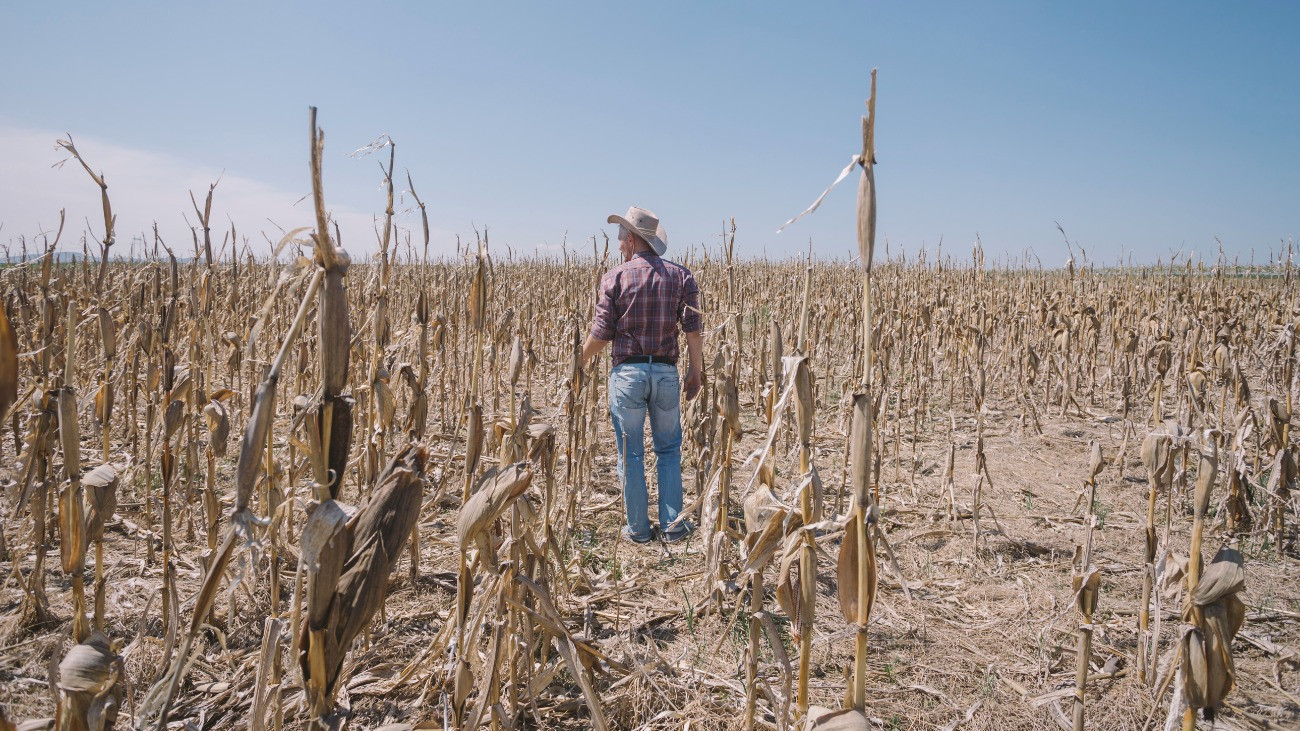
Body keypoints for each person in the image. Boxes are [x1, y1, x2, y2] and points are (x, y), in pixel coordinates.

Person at [579, 206, 704, 544]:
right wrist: (696, 371)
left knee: (630, 453)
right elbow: (693, 330)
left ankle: (637, 531)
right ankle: (674, 526)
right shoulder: (682, 277)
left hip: (628, 375)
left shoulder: (614, 278)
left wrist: (579, 361)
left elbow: (602, 333)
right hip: (665, 374)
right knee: (669, 451)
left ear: (633, 239)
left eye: (622, 239)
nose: (619, 245)